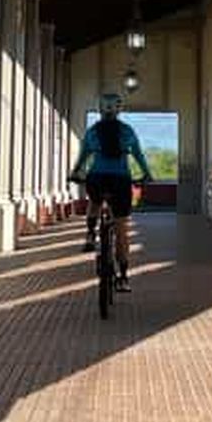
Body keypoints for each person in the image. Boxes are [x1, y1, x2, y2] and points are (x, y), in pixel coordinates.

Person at [70, 92, 153, 292]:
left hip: (96, 179)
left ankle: (90, 234)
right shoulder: (127, 131)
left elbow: (83, 157)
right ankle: (124, 277)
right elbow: (139, 155)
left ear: (100, 109)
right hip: (120, 181)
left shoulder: (92, 132)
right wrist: (147, 174)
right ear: (119, 109)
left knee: (95, 202)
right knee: (121, 226)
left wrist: (75, 172)